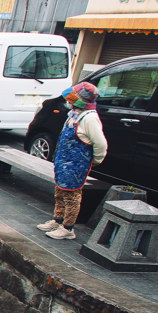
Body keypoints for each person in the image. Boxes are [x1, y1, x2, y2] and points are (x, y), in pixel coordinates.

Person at [38, 82, 107, 240]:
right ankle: (57, 220)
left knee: (72, 195)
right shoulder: (75, 114)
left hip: (76, 163)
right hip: (64, 162)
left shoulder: (89, 119)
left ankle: (68, 228)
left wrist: (95, 160)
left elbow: (101, 143)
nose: (68, 102)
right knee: (60, 192)